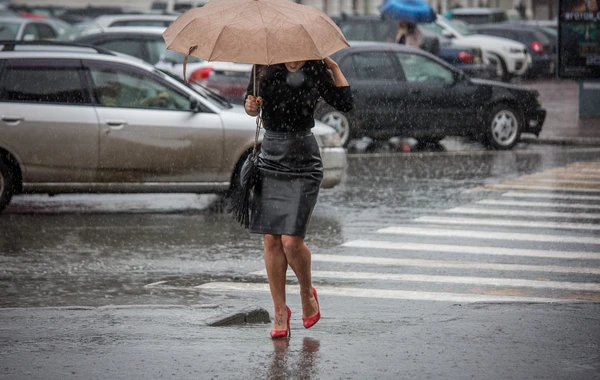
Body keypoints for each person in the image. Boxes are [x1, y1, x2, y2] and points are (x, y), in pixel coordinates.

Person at [244, 57, 353, 339]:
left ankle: (306, 292)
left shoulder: (315, 68)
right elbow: (250, 103)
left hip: (304, 160)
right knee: (271, 239)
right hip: (271, 157)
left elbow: (346, 102)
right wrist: (250, 106)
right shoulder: (263, 66)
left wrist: (335, 67)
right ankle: (280, 310)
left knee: (292, 242)